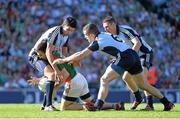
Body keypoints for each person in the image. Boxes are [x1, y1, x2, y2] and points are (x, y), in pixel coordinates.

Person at [53, 23, 174, 111]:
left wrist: (63, 60)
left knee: (104, 79)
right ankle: (167, 103)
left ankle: (98, 105)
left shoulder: (98, 41)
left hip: (125, 56)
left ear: (91, 34)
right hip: (133, 55)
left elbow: (81, 54)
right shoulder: (105, 35)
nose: (86, 38)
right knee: (144, 85)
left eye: (86, 36)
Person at [28, 51, 125, 111]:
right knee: (93, 102)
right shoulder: (56, 53)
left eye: (40, 54)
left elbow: (65, 75)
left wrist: (55, 87)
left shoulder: (53, 59)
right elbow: (53, 76)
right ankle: (116, 105)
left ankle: (85, 106)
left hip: (73, 81)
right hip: (80, 78)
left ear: (45, 52)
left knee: (64, 108)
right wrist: (40, 79)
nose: (40, 57)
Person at [102, 16, 155, 110]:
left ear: (113, 24)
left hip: (144, 53)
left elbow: (137, 44)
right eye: (104, 27)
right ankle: (138, 98)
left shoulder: (125, 30)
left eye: (107, 27)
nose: (105, 29)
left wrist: (130, 58)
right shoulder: (111, 36)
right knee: (125, 77)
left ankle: (150, 105)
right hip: (133, 56)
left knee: (142, 79)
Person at [28, 16, 77, 111]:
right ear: (64, 25)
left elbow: (64, 53)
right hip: (37, 56)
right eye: (68, 29)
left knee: (65, 74)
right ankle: (48, 106)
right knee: (53, 74)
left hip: (47, 57)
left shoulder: (66, 35)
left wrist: (70, 62)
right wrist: (56, 69)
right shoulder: (56, 31)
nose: (69, 32)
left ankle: (45, 102)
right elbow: (48, 52)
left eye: (71, 30)